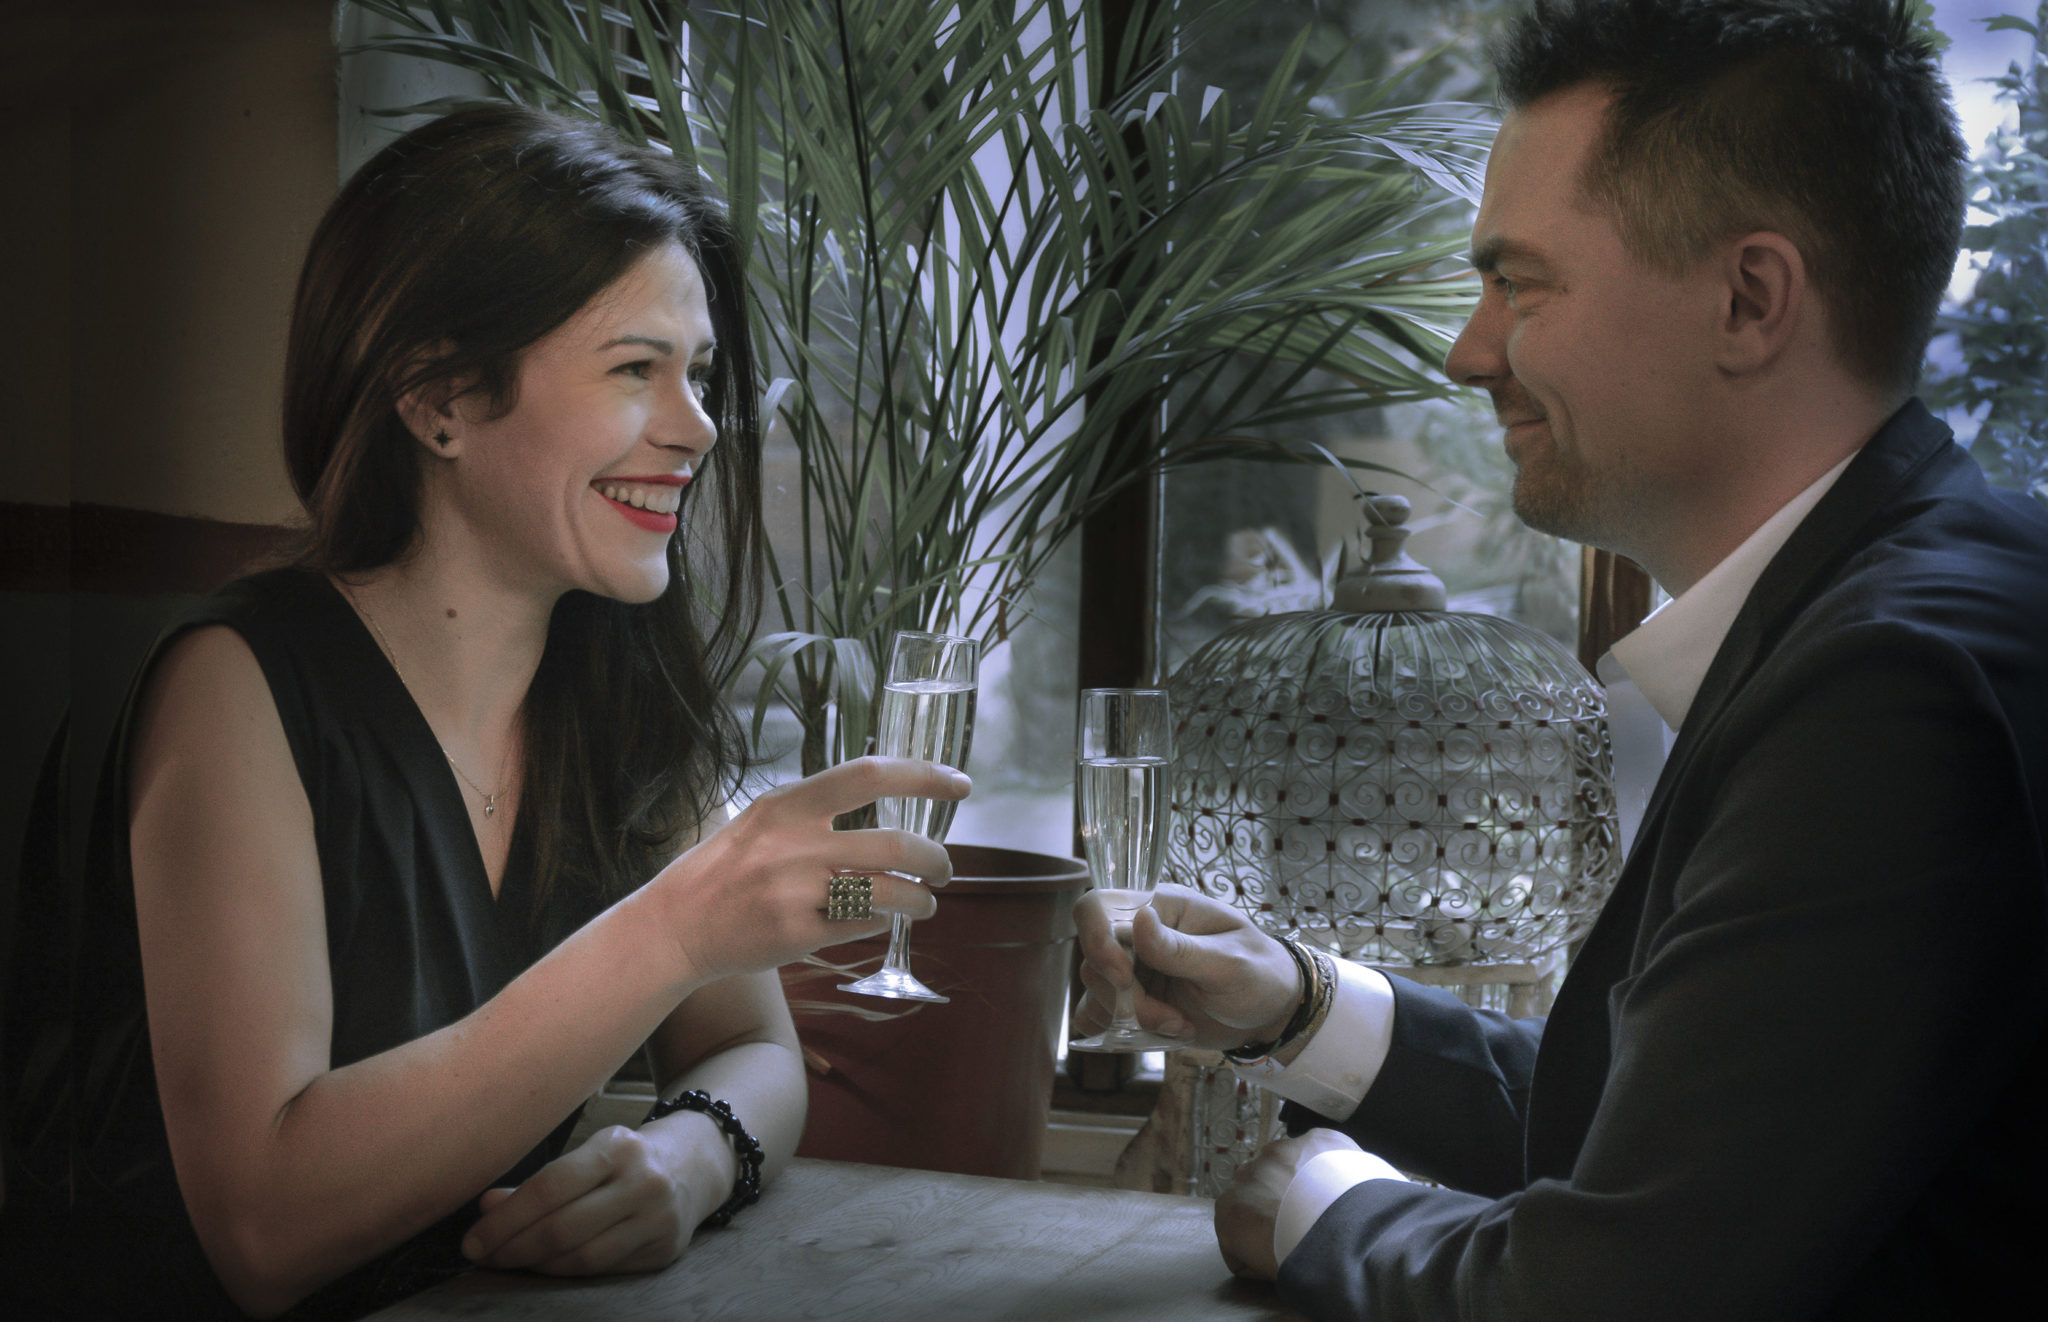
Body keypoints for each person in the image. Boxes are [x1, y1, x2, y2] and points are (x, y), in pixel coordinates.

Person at [1073, 0, 2048, 1317]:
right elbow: (1691, 1139)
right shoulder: (1888, 606)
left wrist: (1319, 1204)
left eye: (1520, 285)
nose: (1467, 351)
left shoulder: (1889, 690)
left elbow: (1625, 1284)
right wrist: (1302, 1005)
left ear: (1748, 301)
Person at [0, 105, 966, 1320]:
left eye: (700, 374)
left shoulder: (615, 691)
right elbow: (262, 1229)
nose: (697, 428)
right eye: (635, 368)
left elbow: (754, 1049)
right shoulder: (232, 686)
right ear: (438, 395)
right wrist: (675, 929)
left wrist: (689, 1156)